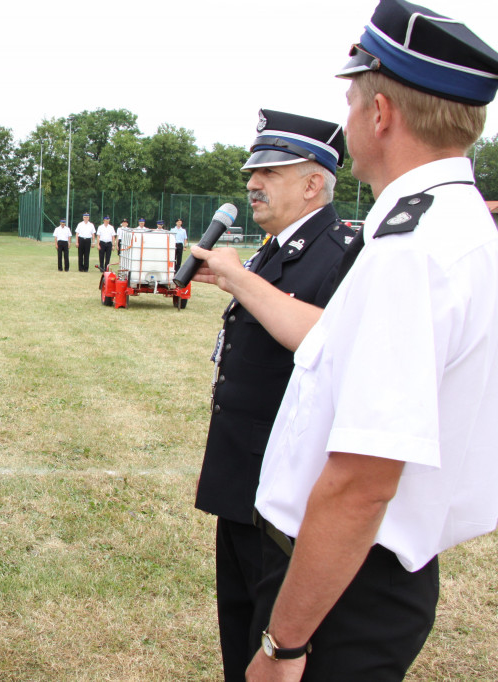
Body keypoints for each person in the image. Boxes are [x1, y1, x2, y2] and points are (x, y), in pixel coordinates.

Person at [193, 1, 498, 678]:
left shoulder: (414, 247)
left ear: (381, 113)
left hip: (343, 578)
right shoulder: (445, 225)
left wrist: (283, 645)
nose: (350, 119)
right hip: (355, 571)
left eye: (353, 101)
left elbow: (362, 482)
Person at [192, 109, 353, 681]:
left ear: (314, 183)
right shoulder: (273, 249)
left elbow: (329, 342)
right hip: (245, 486)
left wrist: (242, 279)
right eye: (252, 171)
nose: (253, 183)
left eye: (272, 171)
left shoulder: (340, 252)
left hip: (288, 501)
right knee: (239, 646)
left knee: (273, 649)